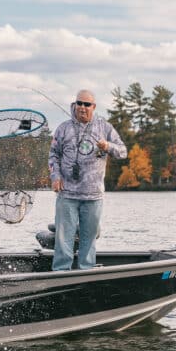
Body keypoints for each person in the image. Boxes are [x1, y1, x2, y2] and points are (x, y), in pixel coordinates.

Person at [48, 89, 127, 270]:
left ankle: (86, 272)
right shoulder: (63, 128)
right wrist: (55, 176)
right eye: (79, 103)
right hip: (67, 194)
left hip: (93, 196)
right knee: (63, 238)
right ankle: (61, 273)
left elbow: (123, 151)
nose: (82, 107)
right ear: (75, 105)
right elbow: (53, 156)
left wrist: (107, 146)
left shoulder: (104, 127)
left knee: (89, 239)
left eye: (87, 104)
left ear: (94, 107)